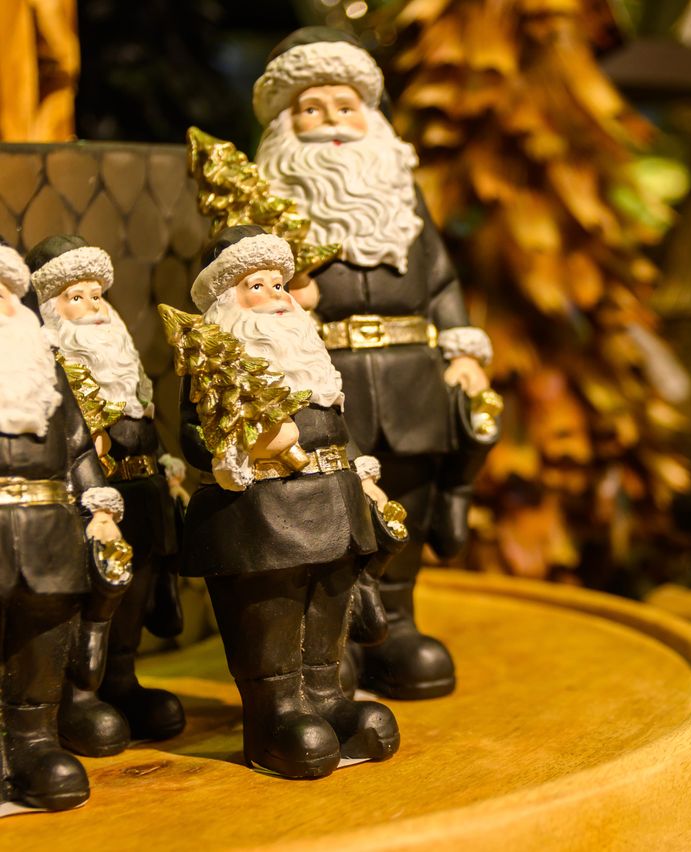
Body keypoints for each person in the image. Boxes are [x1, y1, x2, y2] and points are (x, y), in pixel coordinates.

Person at [253, 28, 496, 699]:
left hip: (411, 377)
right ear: (284, 124)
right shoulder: (269, 208)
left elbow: (441, 280)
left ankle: (396, 623)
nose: (332, 122)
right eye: (312, 108)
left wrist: (462, 350)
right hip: (328, 383)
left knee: (407, 504)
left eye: (346, 106)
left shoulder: (401, 198)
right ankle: (332, 642)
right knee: (335, 508)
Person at [176, 224, 399, 779]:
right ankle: (273, 716)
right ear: (226, 299)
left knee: (327, 610)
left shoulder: (310, 354)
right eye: (257, 285)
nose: (277, 296)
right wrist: (247, 441)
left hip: (334, 502)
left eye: (279, 284)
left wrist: (363, 478)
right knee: (272, 616)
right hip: (263, 515)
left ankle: (326, 699)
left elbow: (338, 424)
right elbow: (193, 435)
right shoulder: (214, 361)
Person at [27, 234, 185, 753]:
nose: (94, 307)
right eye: (77, 297)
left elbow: (142, 419)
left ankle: (121, 680)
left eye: (98, 295)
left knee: (134, 595)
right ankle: (74, 696)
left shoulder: (122, 361)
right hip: (86, 505)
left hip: (139, 495)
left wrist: (165, 466)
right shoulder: (51, 367)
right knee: (88, 600)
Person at [0, 238, 125, 810]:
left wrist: (100, 510)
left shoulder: (43, 366)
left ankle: (33, 742)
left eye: (7, 291)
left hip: (49, 531)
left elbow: (77, 450)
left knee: (43, 638)